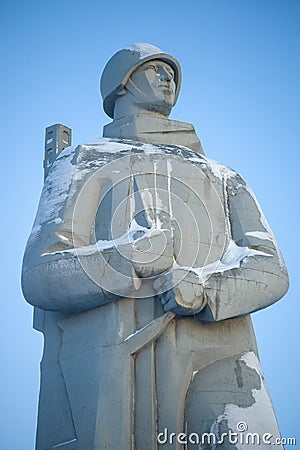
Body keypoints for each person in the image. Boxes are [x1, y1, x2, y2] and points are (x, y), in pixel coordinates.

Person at [22, 43, 289, 449]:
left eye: (172, 73)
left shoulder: (220, 175)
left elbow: (270, 267)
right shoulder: (84, 160)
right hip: (109, 368)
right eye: (154, 69)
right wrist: (127, 258)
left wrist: (205, 290)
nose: (169, 80)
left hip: (220, 358)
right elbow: (41, 274)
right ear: (121, 84)